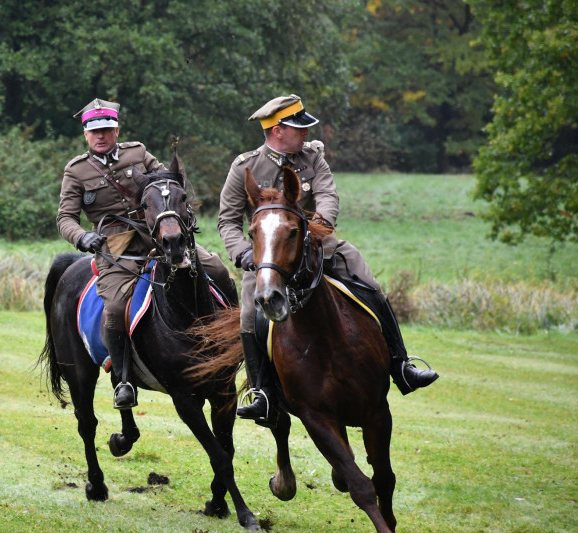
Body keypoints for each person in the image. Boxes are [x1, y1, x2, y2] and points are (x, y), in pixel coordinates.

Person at [218, 94, 439, 424]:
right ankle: (262, 392)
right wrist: (245, 254)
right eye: (298, 128)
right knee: (250, 314)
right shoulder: (244, 167)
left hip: (318, 246)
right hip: (268, 258)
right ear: (277, 130)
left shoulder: (313, 159)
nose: (306, 133)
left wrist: (317, 228)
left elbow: (328, 197)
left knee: (371, 285)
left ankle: (401, 364)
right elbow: (227, 221)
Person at [57, 98, 239, 409]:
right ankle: (125, 380)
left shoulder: (137, 153)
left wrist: (175, 211)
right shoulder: (76, 171)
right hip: (117, 249)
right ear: (86, 134)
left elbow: (168, 181)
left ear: (116, 130)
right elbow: (65, 218)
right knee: (115, 307)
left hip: (160, 235)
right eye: (94, 131)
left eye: (106, 130)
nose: (101, 136)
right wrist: (82, 236)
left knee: (218, 269)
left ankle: (235, 339)